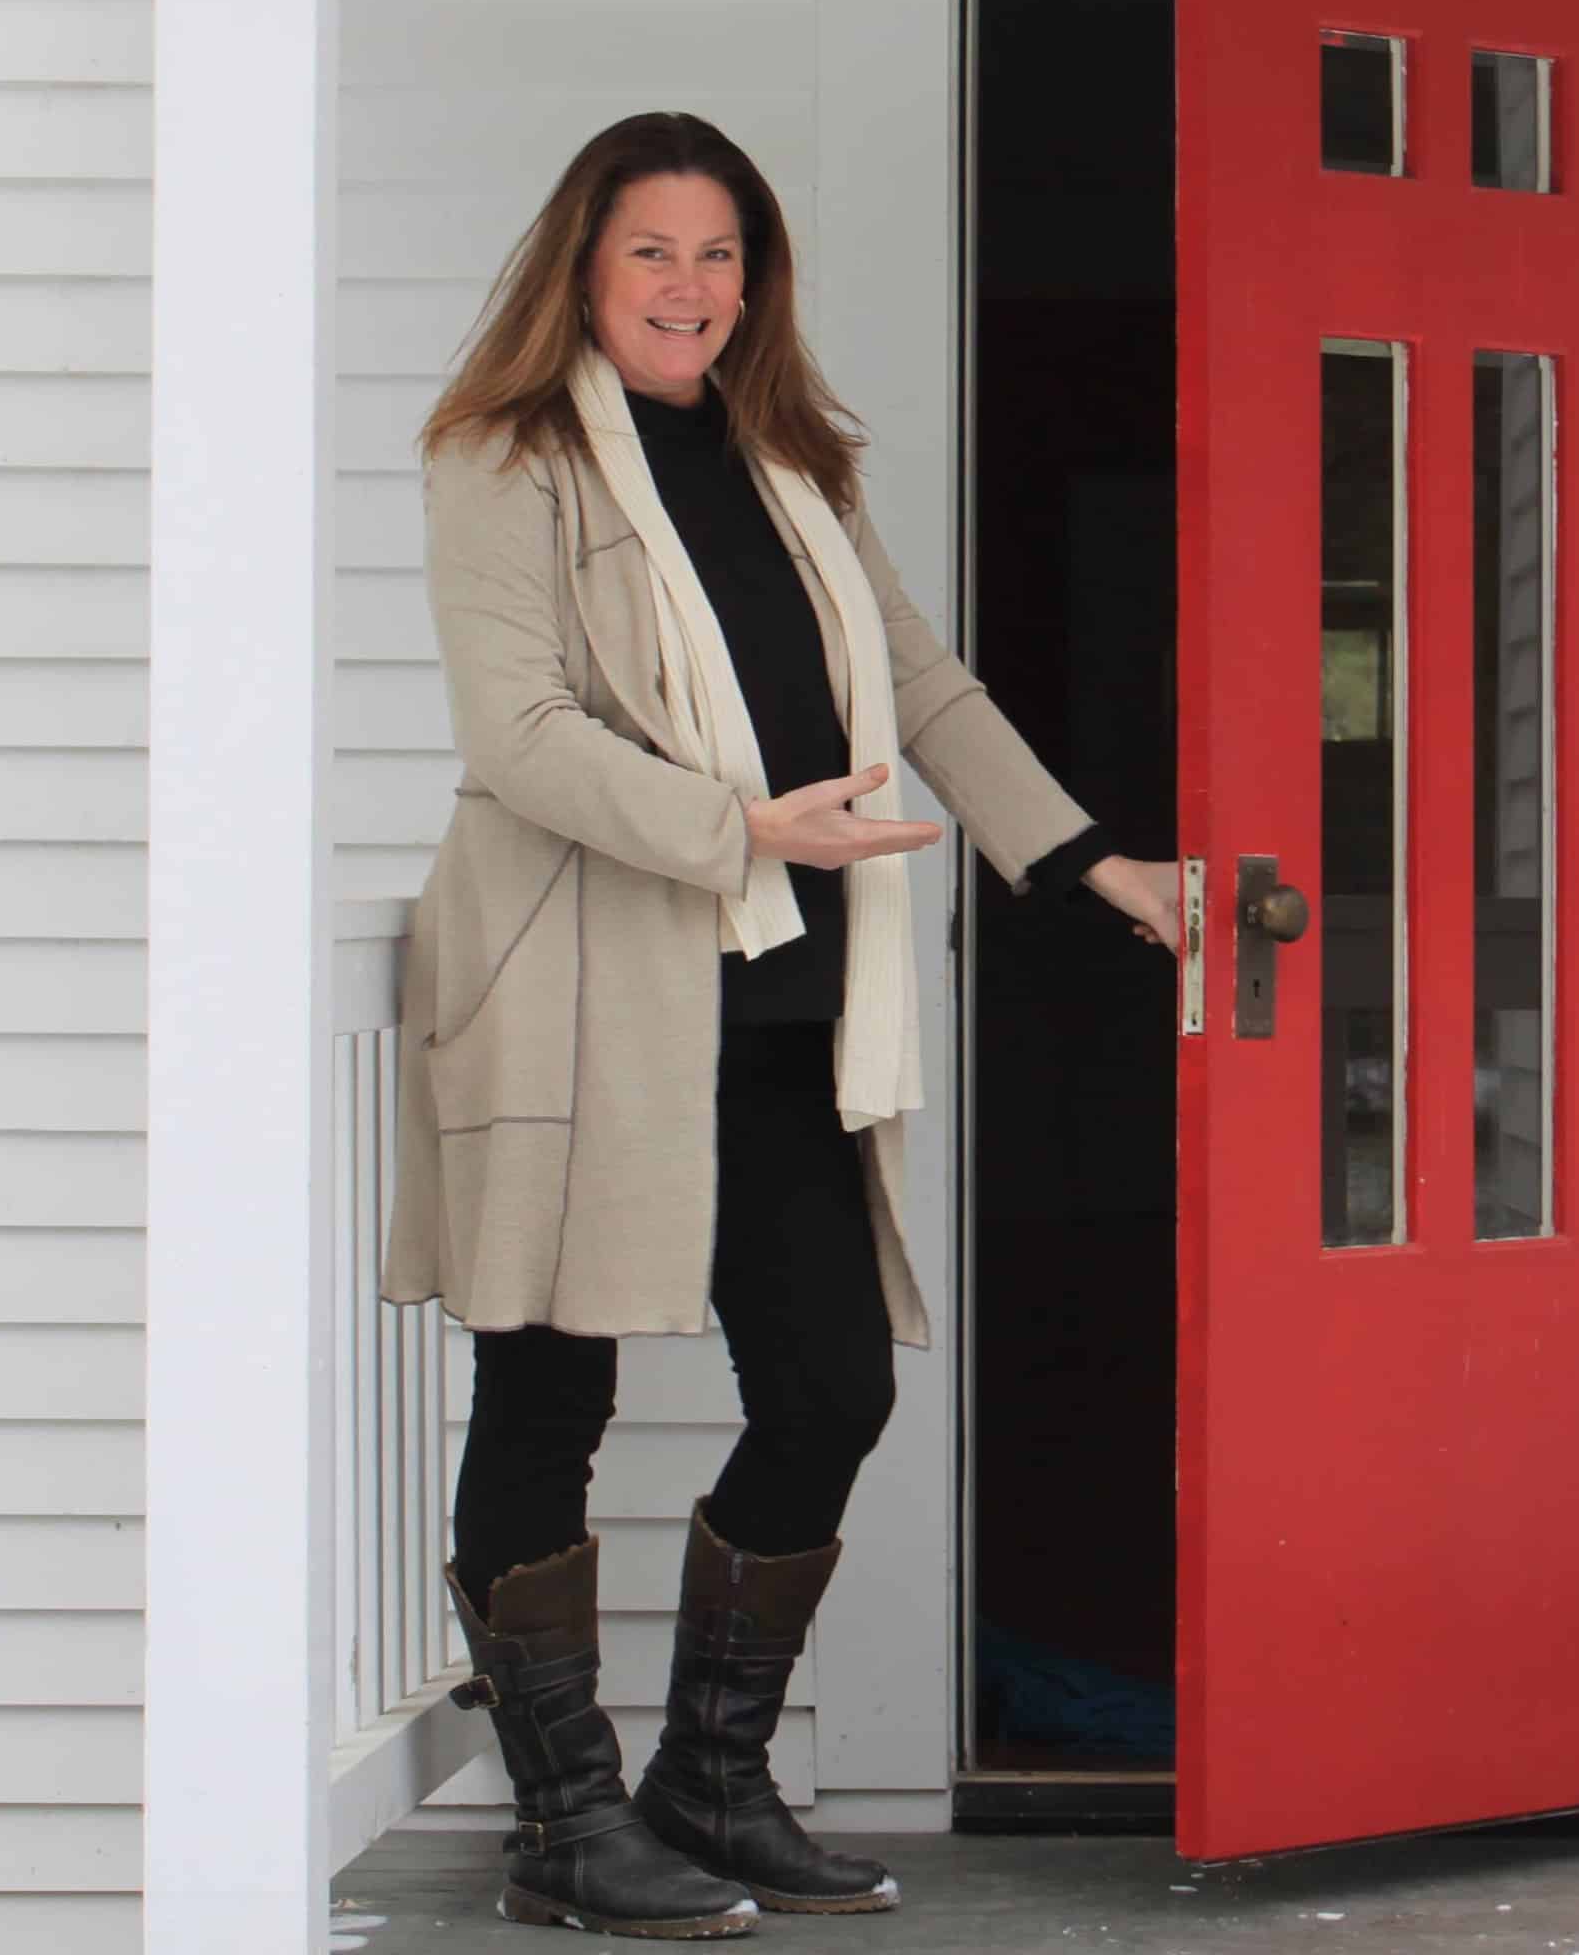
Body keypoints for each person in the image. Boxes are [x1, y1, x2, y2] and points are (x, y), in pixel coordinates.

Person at [380, 111, 1178, 1941]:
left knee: (831, 1382)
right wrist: (736, 827)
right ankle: (565, 1830)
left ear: (760, 282)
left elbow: (922, 684)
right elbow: (518, 738)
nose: (689, 286)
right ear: (583, 268)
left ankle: (707, 1788)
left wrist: (1084, 860)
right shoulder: (504, 461)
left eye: (721, 254)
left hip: (782, 988)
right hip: (583, 977)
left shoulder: (792, 461)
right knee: (549, 1388)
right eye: (652, 250)